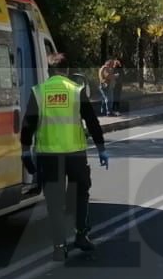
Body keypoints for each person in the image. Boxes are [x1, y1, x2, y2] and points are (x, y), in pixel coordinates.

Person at [20, 53, 108, 261]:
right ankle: (81, 236)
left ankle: (59, 247)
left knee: (54, 202)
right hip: (75, 154)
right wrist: (101, 148)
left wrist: (25, 151)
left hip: (48, 156)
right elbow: (92, 121)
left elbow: (27, 125)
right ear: (68, 71)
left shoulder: (39, 92)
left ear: (49, 71)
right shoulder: (76, 90)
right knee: (80, 195)